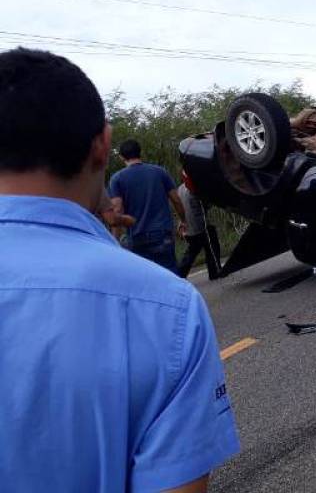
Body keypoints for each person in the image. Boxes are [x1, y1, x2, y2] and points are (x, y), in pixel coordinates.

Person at [0, 48, 239, 491]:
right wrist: (181, 220)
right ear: (101, 144)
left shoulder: (119, 184)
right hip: (152, 255)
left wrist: (122, 225)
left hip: (131, 242)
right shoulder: (170, 307)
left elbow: (118, 212)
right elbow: (173, 200)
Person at [109, 139, 187, 273]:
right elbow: (176, 200)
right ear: (140, 153)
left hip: (136, 237)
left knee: (147, 279)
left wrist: (114, 241)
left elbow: (117, 211)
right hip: (162, 234)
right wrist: (183, 220)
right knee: (171, 275)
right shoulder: (159, 172)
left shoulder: (117, 179)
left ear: (121, 156)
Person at [177, 174, 221, 279]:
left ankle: (180, 274)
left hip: (189, 227)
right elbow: (206, 205)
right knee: (211, 246)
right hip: (200, 227)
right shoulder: (194, 189)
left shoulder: (180, 189)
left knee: (192, 252)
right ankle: (215, 271)